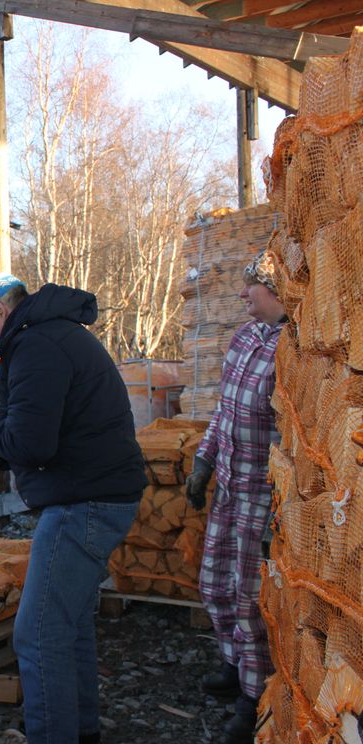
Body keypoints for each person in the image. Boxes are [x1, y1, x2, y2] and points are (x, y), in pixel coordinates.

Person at [0, 260, 147, 744]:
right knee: (71, 624)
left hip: (84, 502)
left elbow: (31, 442)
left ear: (2, 308)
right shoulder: (53, 333)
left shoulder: (36, 345)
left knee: (37, 635)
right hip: (99, 493)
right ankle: (79, 729)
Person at [185, 249, 285, 744]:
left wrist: (282, 507)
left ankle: (253, 698)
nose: (243, 294)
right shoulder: (244, 338)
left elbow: (292, 437)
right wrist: (204, 461)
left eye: (253, 287)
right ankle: (231, 661)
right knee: (212, 583)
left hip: (260, 496)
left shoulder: (292, 351)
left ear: (277, 291)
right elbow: (225, 413)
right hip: (227, 484)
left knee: (249, 599)